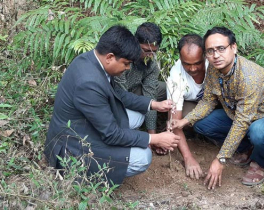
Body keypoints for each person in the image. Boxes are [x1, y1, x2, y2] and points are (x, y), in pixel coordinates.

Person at [44, 25, 180, 186]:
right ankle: (89, 178)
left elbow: (119, 94)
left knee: (136, 117)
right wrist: (155, 138)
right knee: (143, 157)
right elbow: (111, 134)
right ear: (109, 57)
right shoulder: (89, 83)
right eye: (126, 63)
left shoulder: (91, 60)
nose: (128, 68)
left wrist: (153, 104)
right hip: (75, 146)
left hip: (88, 125)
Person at [172, 26, 264, 189]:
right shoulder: (214, 70)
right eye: (210, 51)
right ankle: (247, 148)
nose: (216, 55)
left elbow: (242, 122)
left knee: (258, 131)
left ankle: (260, 162)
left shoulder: (249, 76)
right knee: (201, 124)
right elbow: (208, 101)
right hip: (241, 117)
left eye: (221, 49)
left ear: (234, 47)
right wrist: (185, 120)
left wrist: (221, 158)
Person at [166, 34, 209, 179]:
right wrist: (188, 157)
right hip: (192, 104)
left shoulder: (214, 63)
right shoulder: (175, 76)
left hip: (217, 103)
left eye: (197, 63)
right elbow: (175, 122)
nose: (192, 68)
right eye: (187, 64)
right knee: (185, 118)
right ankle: (197, 134)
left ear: (205, 55)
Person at [114, 22, 166, 135]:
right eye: (146, 50)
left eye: (154, 51)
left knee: (165, 88)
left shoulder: (152, 64)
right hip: (117, 94)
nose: (150, 55)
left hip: (134, 91)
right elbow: (121, 96)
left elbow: (150, 94)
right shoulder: (122, 59)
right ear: (135, 43)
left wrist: (152, 136)